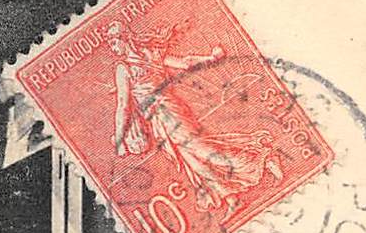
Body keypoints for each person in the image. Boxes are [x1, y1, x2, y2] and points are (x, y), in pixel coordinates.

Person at [107, 19, 283, 215]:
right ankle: (231, 199)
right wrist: (210, 57)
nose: (113, 48)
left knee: (203, 150)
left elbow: (123, 105)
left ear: (125, 38)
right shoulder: (150, 54)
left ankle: (261, 158)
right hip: (158, 121)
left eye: (114, 42)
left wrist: (119, 137)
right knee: (192, 161)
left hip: (168, 113)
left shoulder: (124, 68)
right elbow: (185, 63)